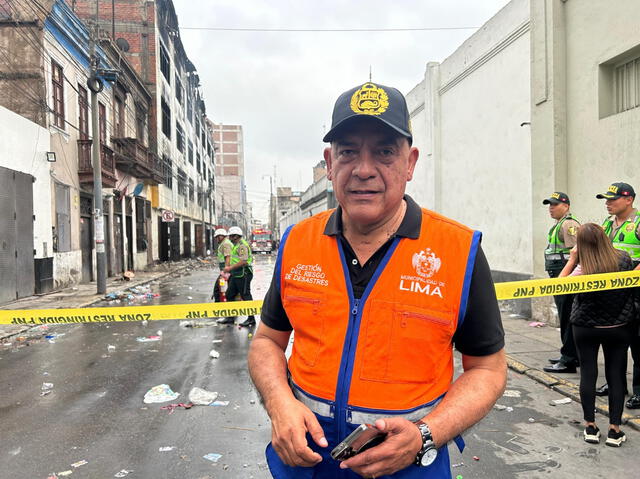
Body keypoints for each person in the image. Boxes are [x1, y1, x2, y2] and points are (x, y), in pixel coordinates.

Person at [247, 81, 507, 478]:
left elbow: (487, 369)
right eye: (349, 151)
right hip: (305, 466)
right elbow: (267, 341)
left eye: (385, 151)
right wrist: (280, 402)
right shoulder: (297, 243)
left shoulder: (458, 250)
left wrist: (425, 434)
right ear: (330, 163)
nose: (364, 169)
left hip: (408, 469)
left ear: (410, 163)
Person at [559, 223, 636, 447]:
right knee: (616, 375)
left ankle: (590, 427)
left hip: (585, 327)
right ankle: (615, 430)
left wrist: (573, 259)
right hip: (618, 326)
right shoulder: (623, 259)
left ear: (580, 245)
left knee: (588, 374)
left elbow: (559, 287)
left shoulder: (584, 267)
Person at [594, 182, 640, 409]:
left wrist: (630, 279)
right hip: (613, 294)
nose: (607, 203)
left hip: (635, 292)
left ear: (629, 199)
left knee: (638, 343)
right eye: (606, 199)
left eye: (612, 199)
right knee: (616, 342)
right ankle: (616, 384)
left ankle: (639, 391)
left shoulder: (638, 223)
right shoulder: (607, 224)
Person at [541, 192, 580, 374]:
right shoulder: (558, 225)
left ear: (566, 206)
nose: (551, 208)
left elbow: (576, 252)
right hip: (559, 274)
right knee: (565, 316)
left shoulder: (569, 224)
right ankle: (571, 354)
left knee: (567, 317)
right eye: (549, 205)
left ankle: (569, 359)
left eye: (555, 204)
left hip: (566, 275)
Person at [218, 226, 256, 327]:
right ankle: (230, 317)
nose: (229, 238)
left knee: (246, 295)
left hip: (244, 274)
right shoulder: (236, 245)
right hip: (236, 274)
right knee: (230, 294)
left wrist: (229, 268)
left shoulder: (242, 245)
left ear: (235, 236)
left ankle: (251, 319)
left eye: (231, 236)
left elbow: (243, 261)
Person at [211, 228, 232, 302]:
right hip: (224, 270)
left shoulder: (226, 244)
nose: (217, 239)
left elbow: (228, 257)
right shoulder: (223, 243)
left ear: (222, 236)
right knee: (222, 288)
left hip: (226, 271)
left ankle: (219, 305)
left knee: (218, 289)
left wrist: (225, 270)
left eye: (217, 237)